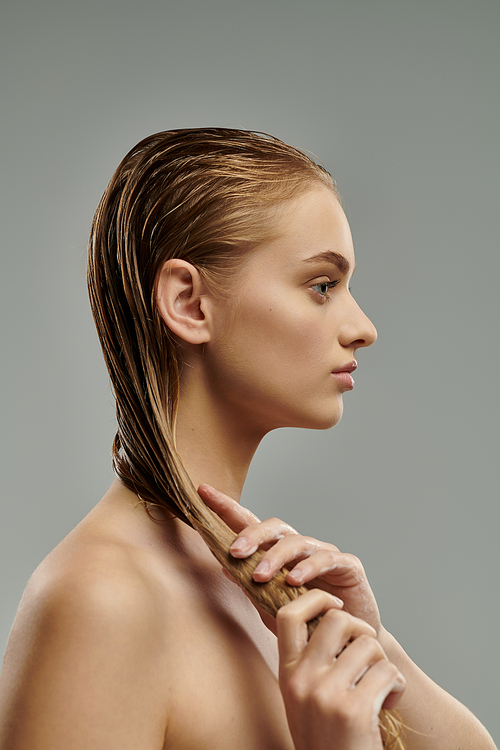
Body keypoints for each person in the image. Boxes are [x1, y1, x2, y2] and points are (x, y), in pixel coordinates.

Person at [0, 128, 495, 750]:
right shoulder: (105, 602)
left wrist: (373, 646)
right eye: (322, 286)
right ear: (189, 303)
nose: (362, 327)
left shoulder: (257, 592)